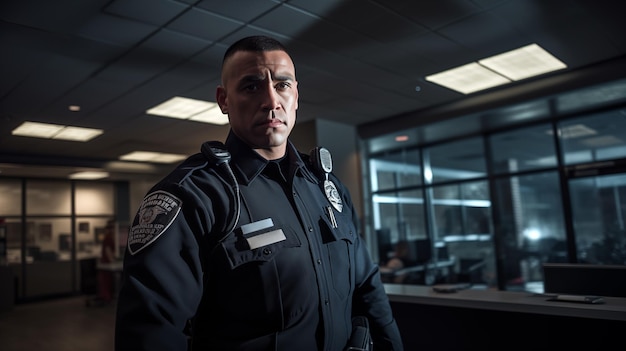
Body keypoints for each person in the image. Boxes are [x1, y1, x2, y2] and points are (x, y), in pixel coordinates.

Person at [114, 35, 403, 351]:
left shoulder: (327, 188)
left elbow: (367, 286)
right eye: (251, 86)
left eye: (282, 85)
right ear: (224, 100)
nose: (271, 101)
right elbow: (150, 334)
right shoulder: (193, 198)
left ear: (295, 95)